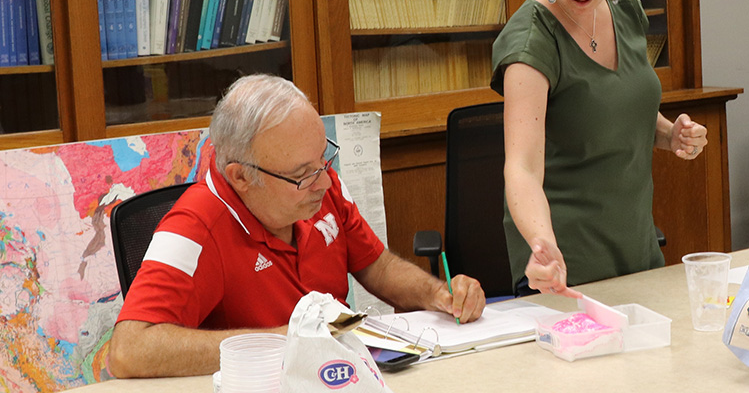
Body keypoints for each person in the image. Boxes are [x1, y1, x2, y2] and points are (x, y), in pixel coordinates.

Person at [108, 74, 485, 378]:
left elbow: (378, 266)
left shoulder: (322, 183)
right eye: (302, 174)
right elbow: (128, 351)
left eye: (323, 158)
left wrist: (439, 294)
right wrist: (288, 340)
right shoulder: (194, 226)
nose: (324, 180)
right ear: (241, 177)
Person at [491, 0, 708, 298]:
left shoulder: (625, 7)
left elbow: (615, 105)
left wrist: (669, 134)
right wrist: (542, 245)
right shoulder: (531, 43)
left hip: (636, 250)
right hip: (566, 266)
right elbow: (522, 168)